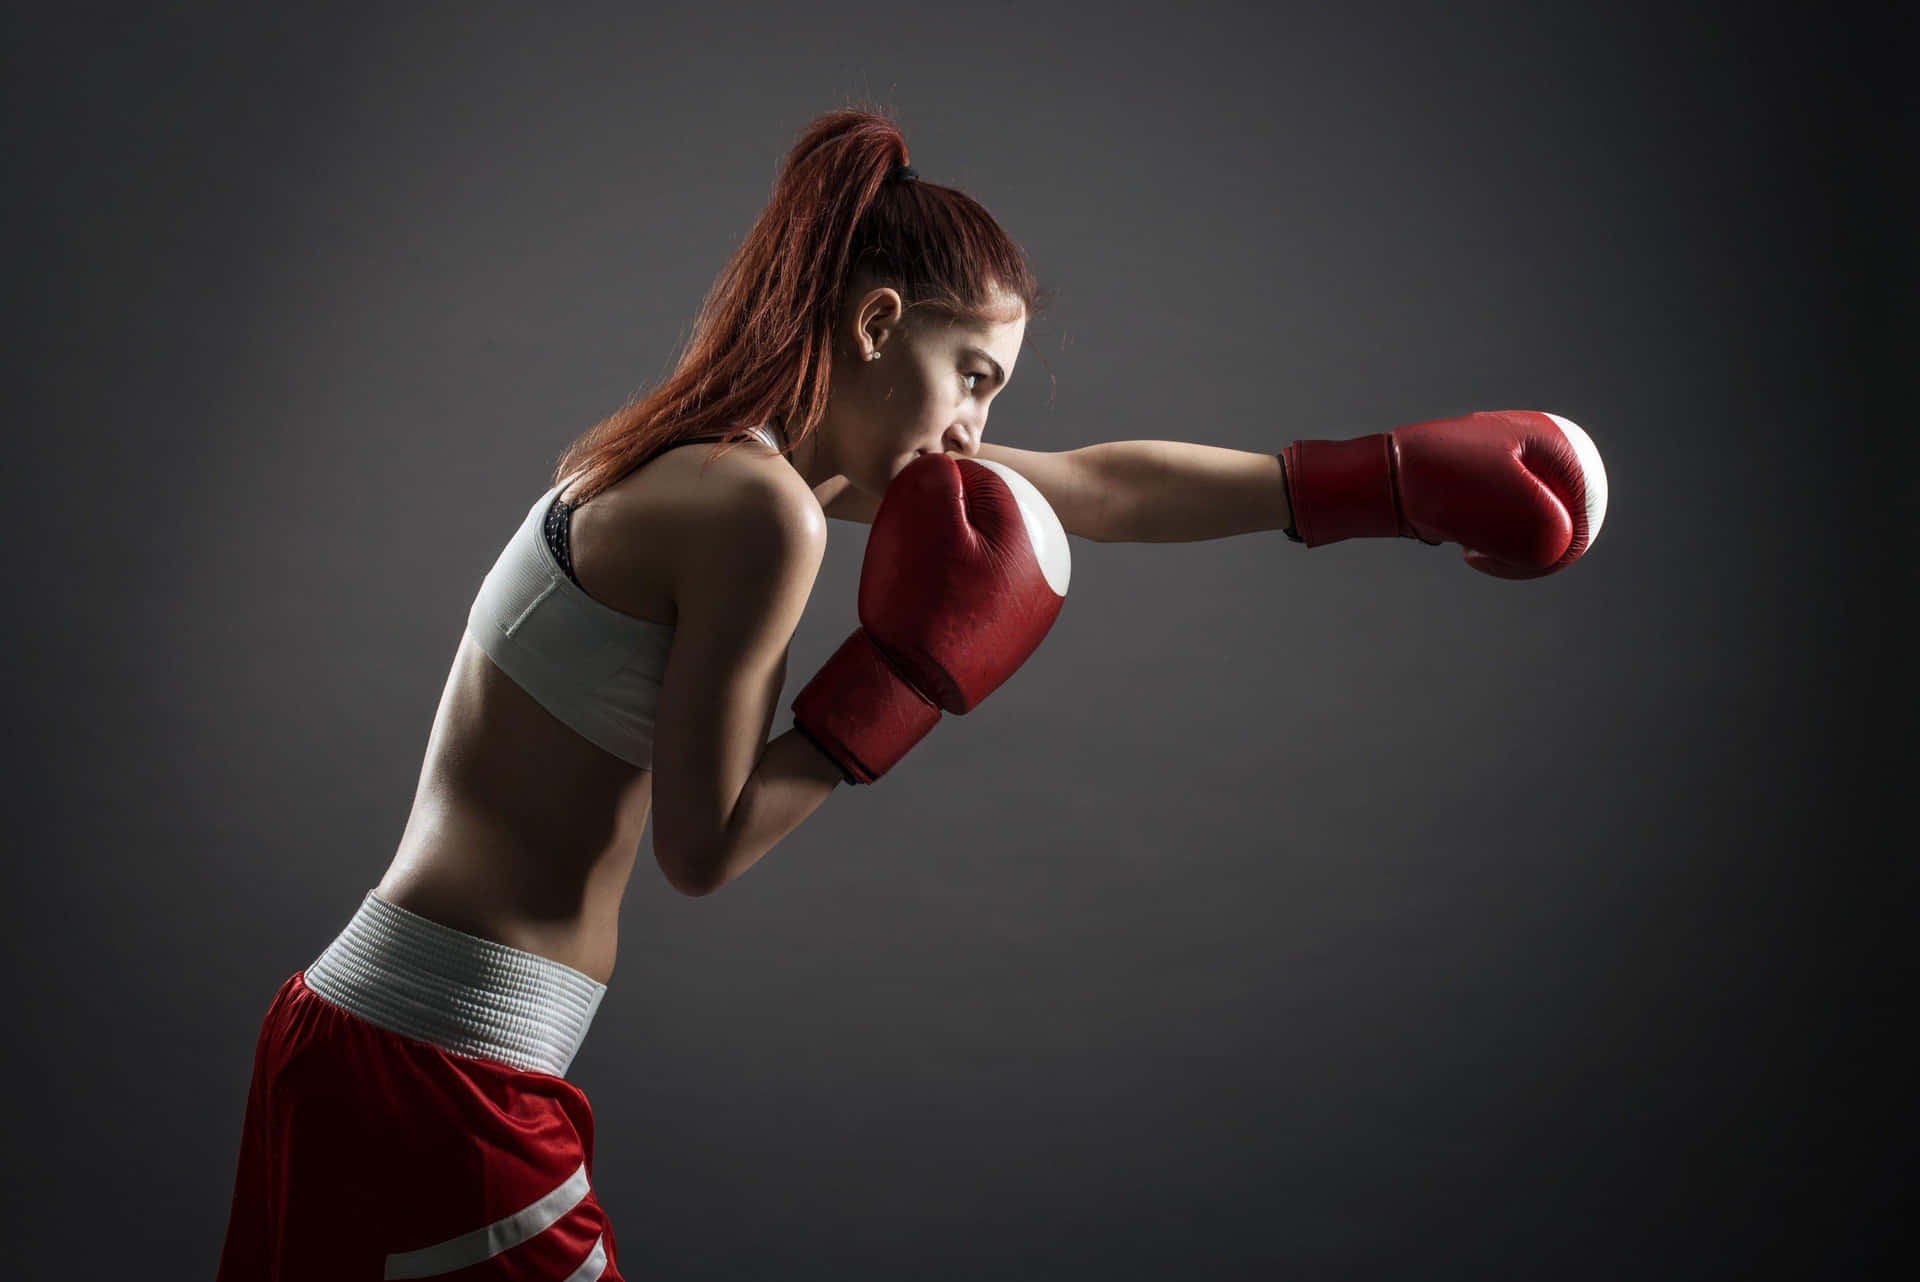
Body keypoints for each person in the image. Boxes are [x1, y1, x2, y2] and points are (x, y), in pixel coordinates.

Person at [217, 106, 1608, 1280]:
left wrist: (1388, 484)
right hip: (442, 1077)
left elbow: (1094, 486)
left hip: (361, 1035)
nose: (977, 433)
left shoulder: (707, 453)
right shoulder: (755, 512)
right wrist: (902, 683)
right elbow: (697, 851)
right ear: (881, 321)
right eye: (973, 379)